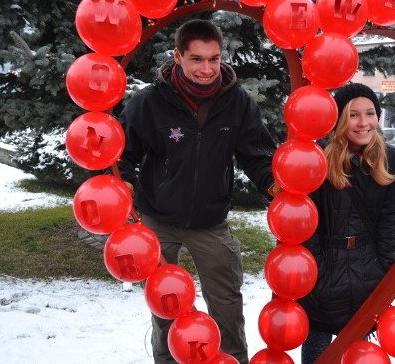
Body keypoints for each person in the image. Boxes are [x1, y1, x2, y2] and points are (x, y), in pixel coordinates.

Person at [117, 19, 278, 364]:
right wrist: (125, 181)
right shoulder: (149, 102)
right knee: (165, 308)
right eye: (197, 59)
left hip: (210, 221)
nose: (207, 69)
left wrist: (272, 184)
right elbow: (121, 151)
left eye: (214, 59)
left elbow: (257, 154)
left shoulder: (238, 103)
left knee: (227, 305)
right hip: (158, 220)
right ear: (178, 56)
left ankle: (233, 359)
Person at [297, 83, 395, 364]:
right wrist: (317, 273)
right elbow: (305, 224)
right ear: (339, 119)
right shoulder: (317, 157)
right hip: (326, 270)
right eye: (353, 115)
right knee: (319, 349)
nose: (363, 123)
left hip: (368, 270)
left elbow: (387, 221)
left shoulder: (388, 157)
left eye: (370, 113)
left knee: (358, 349)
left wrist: (388, 269)